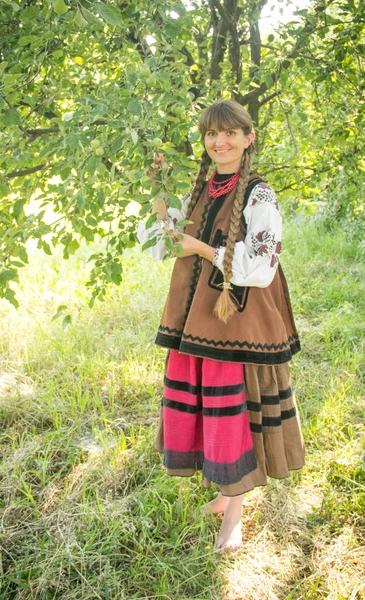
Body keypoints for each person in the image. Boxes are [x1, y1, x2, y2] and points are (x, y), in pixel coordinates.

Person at [137, 99, 305, 552]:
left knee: (234, 406)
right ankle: (224, 491)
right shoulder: (199, 187)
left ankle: (235, 508)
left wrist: (205, 249)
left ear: (248, 138)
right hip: (196, 314)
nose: (220, 141)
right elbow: (161, 244)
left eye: (230, 132)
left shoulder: (259, 193)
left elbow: (263, 264)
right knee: (208, 401)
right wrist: (158, 189)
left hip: (239, 315)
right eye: (212, 134)